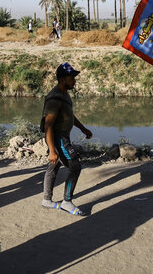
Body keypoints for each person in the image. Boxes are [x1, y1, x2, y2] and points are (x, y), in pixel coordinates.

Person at [41, 62, 93, 216]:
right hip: (58, 138)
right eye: (72, 78)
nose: (75, 81)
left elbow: (69, 115)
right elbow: (48, 125)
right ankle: (67, 201)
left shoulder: (64, 94)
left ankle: (46, 200)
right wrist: (52, 149)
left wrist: (83, 128)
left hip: (63, 136)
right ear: (62, 79)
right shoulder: (55, 98)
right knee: (75, 166)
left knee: (53, 166)